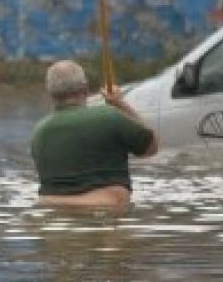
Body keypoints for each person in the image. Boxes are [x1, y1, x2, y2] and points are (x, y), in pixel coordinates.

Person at [29, 59, 158, 208]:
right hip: (107, 212)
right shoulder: (110, 116)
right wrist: (120, 104)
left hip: (53, 212)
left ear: (50, 94)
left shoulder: (38, 132)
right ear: (86, 88)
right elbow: (151, 147)